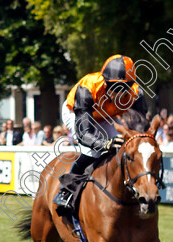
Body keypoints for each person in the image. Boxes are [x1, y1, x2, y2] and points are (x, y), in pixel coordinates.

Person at [53, 54, 148, 216]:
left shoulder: (136, 94)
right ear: (104, 81)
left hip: (104, 115)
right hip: (76, 113)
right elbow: (84, 133)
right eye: (113, 86)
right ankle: (66, 190)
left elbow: (140, 131)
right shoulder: (88, 87)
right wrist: (104, 144)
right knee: (93, 151)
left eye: (123, 88)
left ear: (131, 86)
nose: (117, 93)